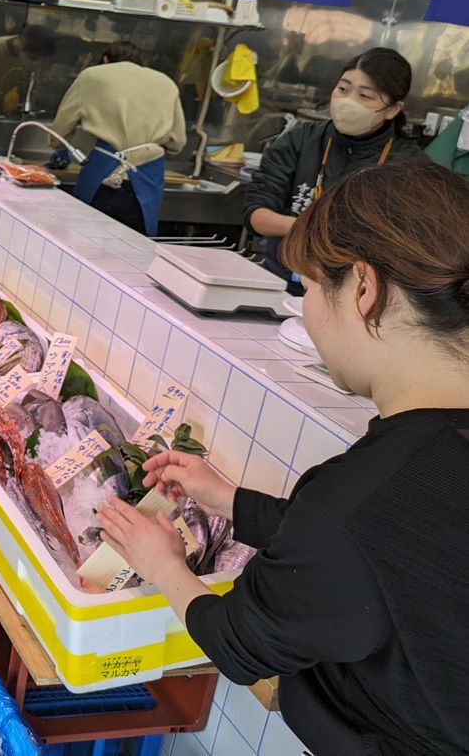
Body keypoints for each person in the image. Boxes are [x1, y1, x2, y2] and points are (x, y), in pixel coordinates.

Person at [97, 159, 469, 755]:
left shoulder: (359, 497)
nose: (305, 310)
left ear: (365, 290)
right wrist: (230, 501)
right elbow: (387, 553)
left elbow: (241, 642)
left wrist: (163, 564)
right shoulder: (411, 472)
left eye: (308, 287)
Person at [244, 47, 425, 286]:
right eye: (343, 89)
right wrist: (309, 229)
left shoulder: (410, 167)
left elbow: (410, 245)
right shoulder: (301, 140)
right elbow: (256, 215)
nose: (348, 101)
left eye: (365, 96)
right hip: (281, 282)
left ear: (393, 109)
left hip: (356, 295)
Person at [49, 41, 187, 235]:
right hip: (148, 177)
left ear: (106, 60)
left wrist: (60, 147)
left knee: (84, 241)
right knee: (135, 247)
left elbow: (62, 125)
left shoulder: (92, 76)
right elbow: (177, 141)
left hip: (103, 172)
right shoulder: (165, 82)